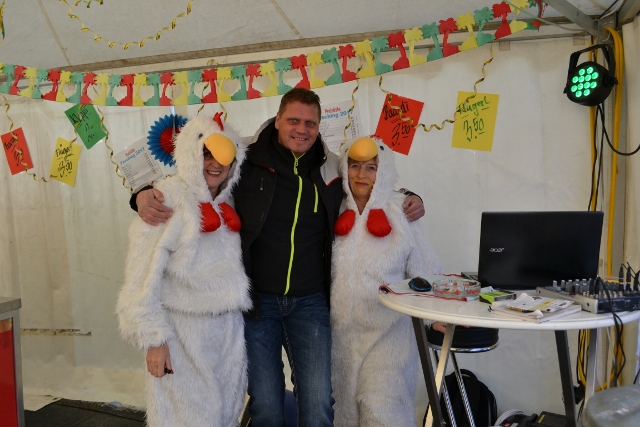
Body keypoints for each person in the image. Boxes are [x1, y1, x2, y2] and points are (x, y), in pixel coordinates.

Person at [130, 88, 425, 426]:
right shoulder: (246, 159)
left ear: (318, 126)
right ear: (278, 120)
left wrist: (410, 196)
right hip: (258, 303)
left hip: (310, 302)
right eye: (294, 121)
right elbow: (192, 178)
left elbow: (371, 182)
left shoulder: (331, 168)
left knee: (319, 402)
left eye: (310, 123)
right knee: (266, 405)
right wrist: (141, 195)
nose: (302, 129)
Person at [116, 115, 251, 427]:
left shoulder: (230, 200)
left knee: (226, 416)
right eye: (206, 154)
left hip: (229, 331)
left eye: (223, 158)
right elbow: (141, 276)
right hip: (183, 334)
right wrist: (154, 340)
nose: (215, 165)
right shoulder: (167, 198)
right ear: (191, 154)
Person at [330, 136, 442, 427]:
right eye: (354, 166)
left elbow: (425, 271)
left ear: (384, 171)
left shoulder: (401, 212)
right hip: (339, 338)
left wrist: (435, 318)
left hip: (389, 335)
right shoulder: (331, 209)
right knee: (342, 414)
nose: (362, 175)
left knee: (384, 411)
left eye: (371, 167)